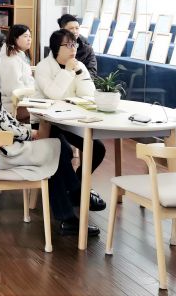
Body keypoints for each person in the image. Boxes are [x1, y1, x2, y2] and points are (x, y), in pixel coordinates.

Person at [0, 34, 95, 236]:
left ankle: (70, 206)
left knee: (57, 146)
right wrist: (30, 134)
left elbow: (0, 118)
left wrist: (27, 132)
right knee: (57, 148)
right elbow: (2, 123)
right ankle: (71, 205)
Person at [35, 29, 106, 222]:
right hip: (47, 122)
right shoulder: (43, 67)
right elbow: (53, 94)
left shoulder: (78, 65)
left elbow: (88, 94)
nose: (73, 48)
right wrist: (67, 72)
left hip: (71, 121)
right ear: (56, 48)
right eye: (68, 45)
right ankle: (76, 193)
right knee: (62, 151)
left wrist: (80, 73)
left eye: (74, 44)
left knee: (97, 149)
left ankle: (78, 187)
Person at [0, 24, 35, 114]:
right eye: (25, 36)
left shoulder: (19, 56)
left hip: (23, 102)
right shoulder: (10, 60)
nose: (29, 39)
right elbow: (14, 90)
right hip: (14, 107)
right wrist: (34, 95)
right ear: (15, 38)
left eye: (30, 36)